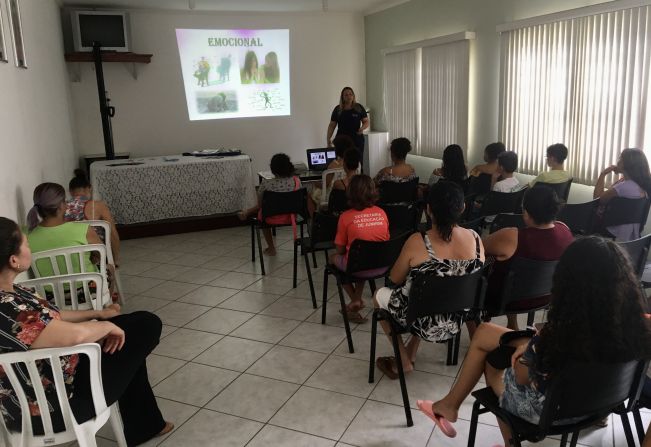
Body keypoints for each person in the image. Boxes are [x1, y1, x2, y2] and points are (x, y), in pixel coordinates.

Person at [416, 236, 651, 444]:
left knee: (493, 359)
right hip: (600, 406)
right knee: (486, 332)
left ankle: (499, 436)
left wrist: (527, 352)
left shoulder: (554, 336)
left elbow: (521, 377)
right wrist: (529, 343)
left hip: (548, 413)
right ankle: (448, 406)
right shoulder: (637, 326)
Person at [0, 217, 173, 446]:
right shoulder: (7, 307)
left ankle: (146, 425)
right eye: (26, 244)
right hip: (54, 405)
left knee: (129, 330)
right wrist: (107, 326)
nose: (29, 247)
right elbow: (75, 336)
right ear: (14, 260)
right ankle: (144, 425)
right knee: (145, 326)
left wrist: (100, 314)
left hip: (56, 378)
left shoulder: (13, 292)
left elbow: (54, 315)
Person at [372, 181, 484, 378]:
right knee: (428, 293)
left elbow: (395, 278)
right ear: (463, 207)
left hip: (421, 320)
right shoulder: (475, 239)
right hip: (456, 318)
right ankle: (411, 351)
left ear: (428, 209)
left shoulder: (418, 241)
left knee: (380, 295)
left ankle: (404, 361)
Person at [481, 186, 573, 331]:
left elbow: (479, 247)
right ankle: (512, 324)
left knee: (490, 272)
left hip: (504, 300)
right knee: (515, 271)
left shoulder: (512, 236)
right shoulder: (565, 231)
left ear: (526, 212)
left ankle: (478, 337)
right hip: (546, 297)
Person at [26, 183, 119, 300]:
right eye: (65, 201)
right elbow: (100, 254)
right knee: (109, 267)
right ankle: (105, 306)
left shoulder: (27, 235)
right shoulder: (83, 229)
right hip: (88, 292)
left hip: (52, 297)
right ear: (61, 206)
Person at [329, 175, 389, 323]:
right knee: (359, 256)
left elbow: (341, 250)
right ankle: (356, 299)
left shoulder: (345, 217)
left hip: (358, 267)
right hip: (381, 266)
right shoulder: (382, 213)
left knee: (333, 258)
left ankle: (355, 299)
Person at [238, 153, 302, 256]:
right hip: (293, 217)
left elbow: (260, 205)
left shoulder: (266, 183)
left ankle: (271, 248)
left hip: (271, 218)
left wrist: (249, 211)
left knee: (262, 214)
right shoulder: (296, 181)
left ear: (273, 169)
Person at [65, 169, 121, 267]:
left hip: (72, 257)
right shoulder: (98, 206)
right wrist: (114, 261)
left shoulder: (62, 208)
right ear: (89, 188)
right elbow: (113, 234)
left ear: (70, 191)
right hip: (98, 255)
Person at [594, 148, 651, 241]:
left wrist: (603, 174)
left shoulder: (624, 187)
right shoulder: (640, 185)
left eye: (620, 158)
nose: (617, 161)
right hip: (631, 231)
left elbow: (597, 199)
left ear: (627, 164)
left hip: (613, 229)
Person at [308, 135, 354, 216]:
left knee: (310, 195)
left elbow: (325, 185)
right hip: (350, 194)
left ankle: (314, 220)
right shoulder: (355, 163)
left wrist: (315, 183)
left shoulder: (333, 165)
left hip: (331, 196)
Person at [327, 87, 369, 157]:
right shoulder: (338, 109)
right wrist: (328, 139)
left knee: (357, 162)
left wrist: (362, 128)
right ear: (342, 97)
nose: (349, 96)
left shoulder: (359, 107)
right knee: (341, 161)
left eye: (350, 94)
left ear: (353, 96)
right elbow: (332, 125)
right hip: (341, 141)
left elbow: (366, 121)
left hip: (356, 140)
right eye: (346, 95)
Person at [328, 148, 361, 214]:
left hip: (342, 215)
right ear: (358, 164)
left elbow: (332, 205)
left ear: (344, 164)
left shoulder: (338, 184)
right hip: (359, 215)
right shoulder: (363, 183)